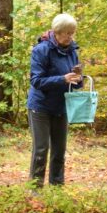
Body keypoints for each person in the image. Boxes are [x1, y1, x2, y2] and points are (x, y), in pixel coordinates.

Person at [27, 13, 82, 187]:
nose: (70, 37)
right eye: (67, 33)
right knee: (41, 149)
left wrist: (78, 80)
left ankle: (57, 188)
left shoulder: (72, 50)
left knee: (59, 151)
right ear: (57, 32)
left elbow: (74, 83)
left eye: (72, 33)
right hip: (40, 107)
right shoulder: (41, 50)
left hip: (61, 106)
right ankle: (35, 188)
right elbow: (36, 81)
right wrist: (62, 79)